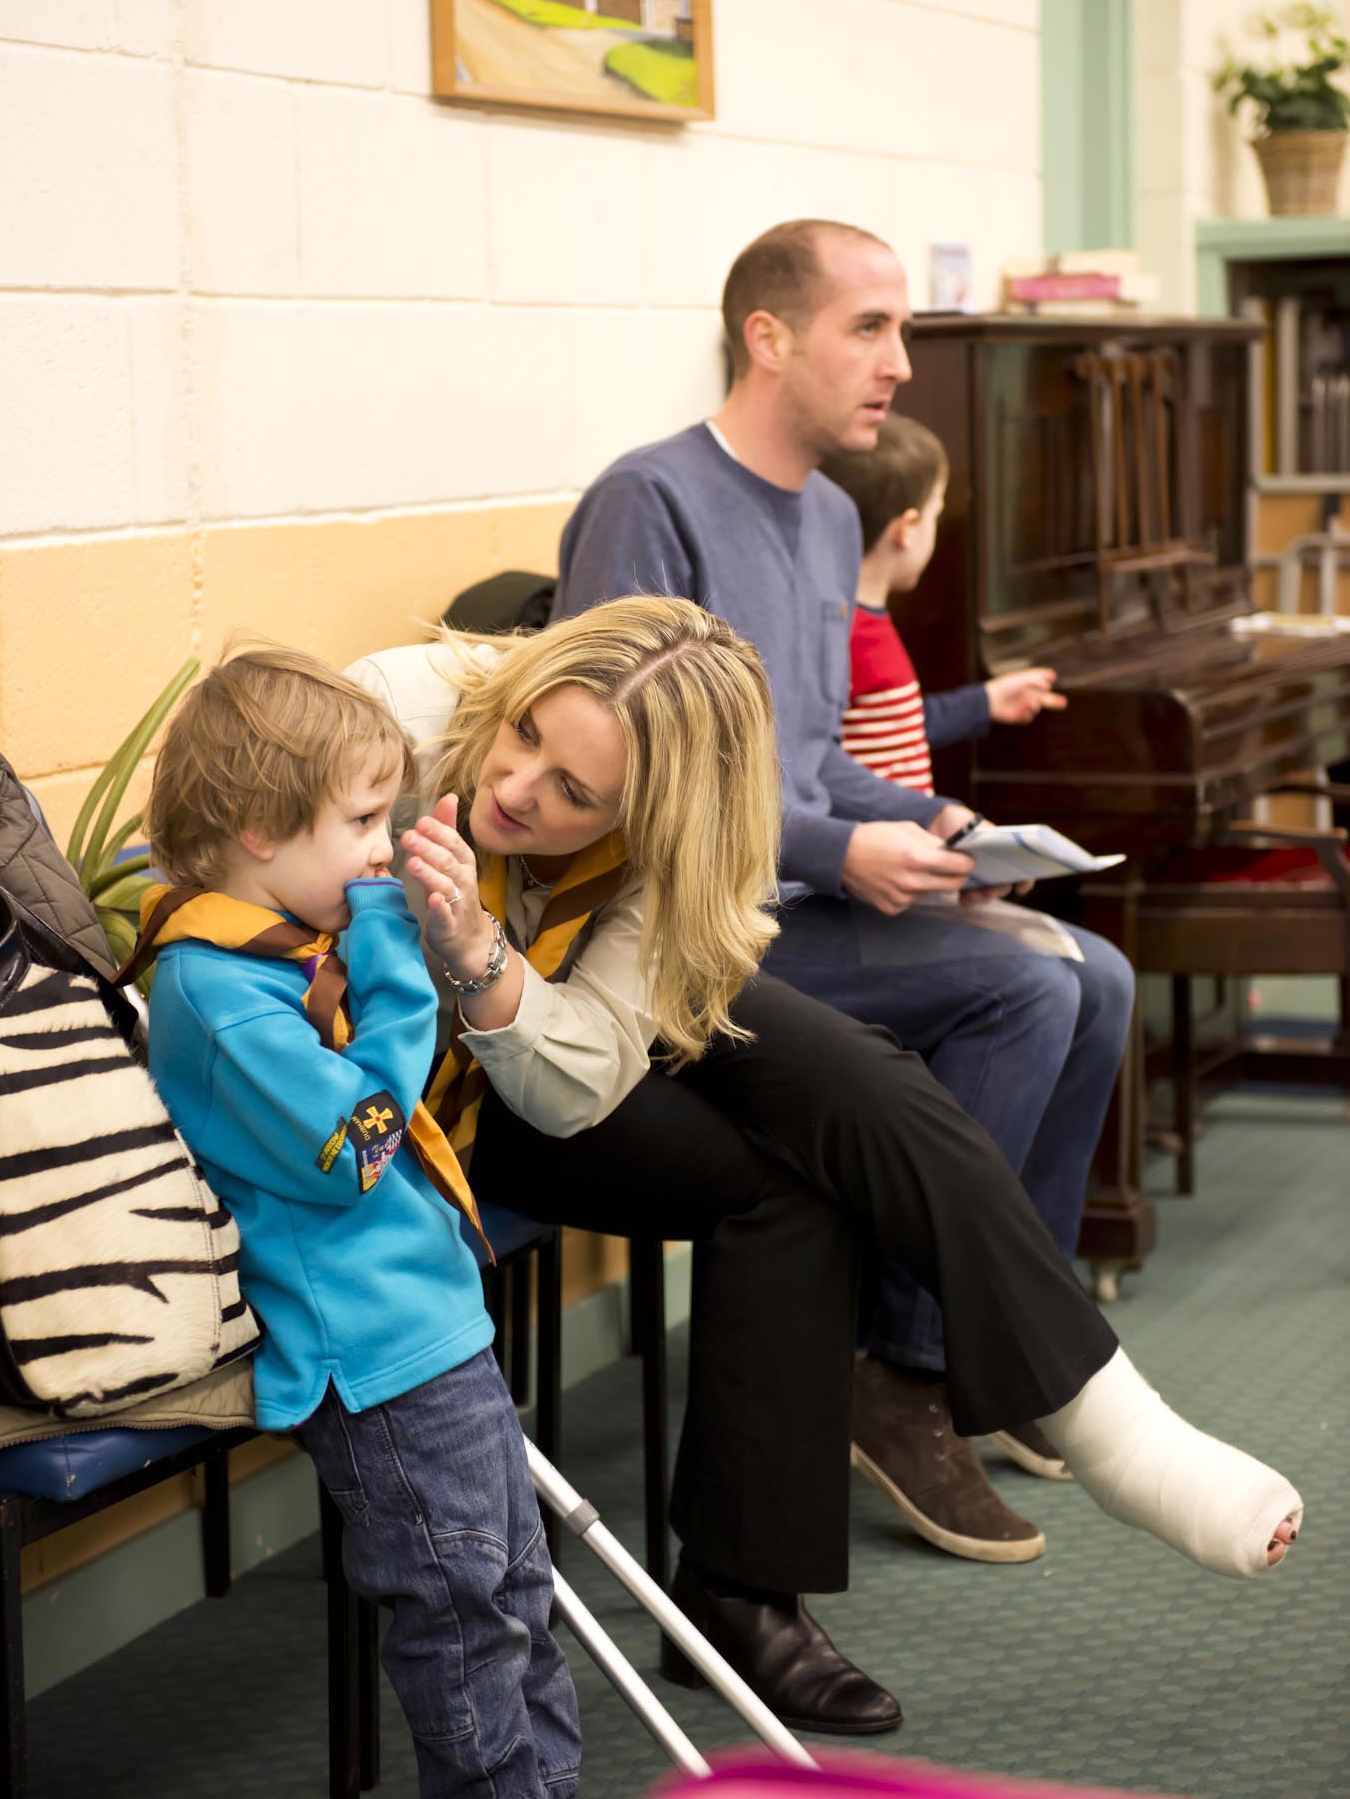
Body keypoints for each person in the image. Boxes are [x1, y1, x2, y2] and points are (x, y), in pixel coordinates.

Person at [350, 596, 1301, 1744]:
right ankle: (1060, 1435)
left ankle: (757, 1576)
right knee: (799, 1166)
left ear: (648, 814)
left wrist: (481, 953)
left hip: (543, 1030)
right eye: (527, 738)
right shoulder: (400, 708)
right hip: (415, 1097)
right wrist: (452, 944)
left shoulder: (668, 850)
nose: (519, 788)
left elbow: (584, 1062)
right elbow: (228, 841)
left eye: (574, 796)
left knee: (845, 1092)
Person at [553, 219, 1136, 1564]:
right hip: (674, 938)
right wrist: (837, 853)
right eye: (867, 330)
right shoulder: (646, 500)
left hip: (790, 901)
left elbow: (805, 751)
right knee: (1019, 983)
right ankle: (901, 1370)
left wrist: (930, 816)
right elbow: (624, 771)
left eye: (902, 333)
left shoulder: (826, 511)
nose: (899, 365)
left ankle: (996, 1359)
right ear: (766, 338)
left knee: (1089, 973)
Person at [123, 647, 580, 1799]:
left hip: (427, 1321)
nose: (385, 845)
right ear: (262, 830)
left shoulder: (280, 953)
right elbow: (361, 1144)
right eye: (365, 818)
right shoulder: (218, 992)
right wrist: (393, 953)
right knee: (464, 1616)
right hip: (374, 1360)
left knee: (517, 1593)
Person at [819, 413, 1066, 792]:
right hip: (881, 847)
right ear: (907, 528)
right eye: (937, 512)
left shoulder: (861, 621)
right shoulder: (843, 634)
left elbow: (895, 727)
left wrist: (983, 702)